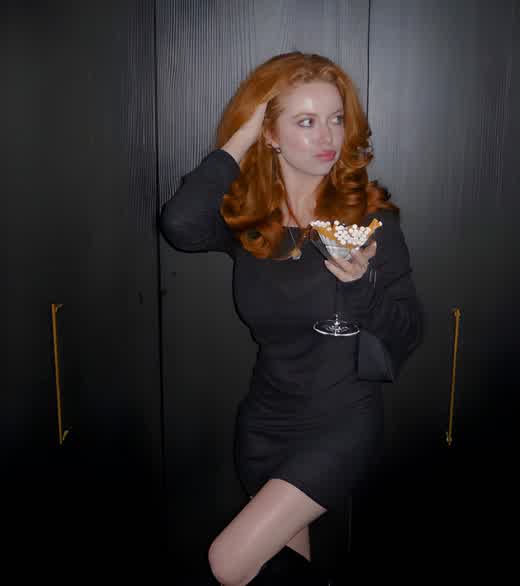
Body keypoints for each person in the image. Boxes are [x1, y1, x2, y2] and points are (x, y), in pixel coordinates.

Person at [159, 51, 423, 586]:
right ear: (271, 133)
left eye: (336, 118)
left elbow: (409, 330)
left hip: (341, 421)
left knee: (230, 561)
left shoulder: (369, 220)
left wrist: (362, 289)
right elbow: (180, 225)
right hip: (264, 422)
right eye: (305, 121)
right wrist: (242, 136)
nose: (328, 136)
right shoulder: (251, 221)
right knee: (285, 571)